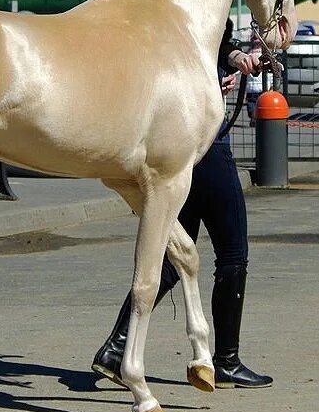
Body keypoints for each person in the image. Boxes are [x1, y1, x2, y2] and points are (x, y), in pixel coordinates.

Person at [92, 19, 272, 388]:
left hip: (178, 155)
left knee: (174, 254)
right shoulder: (198, 10)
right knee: (234, 254)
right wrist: (220, 73)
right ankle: (226, 360)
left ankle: (116, 346)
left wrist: (234, 59)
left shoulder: (176, 14)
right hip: (206, 147)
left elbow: (220, 44)